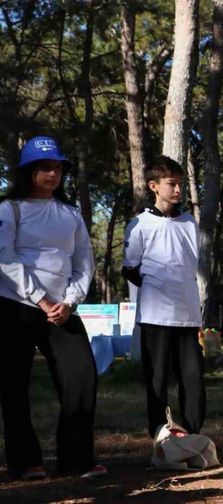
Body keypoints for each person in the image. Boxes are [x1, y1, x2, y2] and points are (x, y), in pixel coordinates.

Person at [0, 136, 105, 479]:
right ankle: (25, 461)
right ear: (28, 171)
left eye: (58, 168)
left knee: (81, 376)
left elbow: (83, 262)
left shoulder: (70, 213)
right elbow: (6, 259)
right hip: (17, 305)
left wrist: (69, 301)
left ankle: (77, 459)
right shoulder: (9, 209)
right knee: (14, 385)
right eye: (45, 167)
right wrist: (41, 299)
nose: (52, 174)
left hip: (62, 309)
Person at [122, 156, 206, 440]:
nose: (178, 190)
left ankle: (194, 436)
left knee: (193, 379)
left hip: (188, 315)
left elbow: (190, 265)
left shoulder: (189, 223)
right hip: (155, 317)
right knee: (157, 380)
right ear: (154, 186)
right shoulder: (140, 224)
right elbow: (130, 268)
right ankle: (160, 435)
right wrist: (158, 288)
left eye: (180, 184)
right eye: (172, 184)